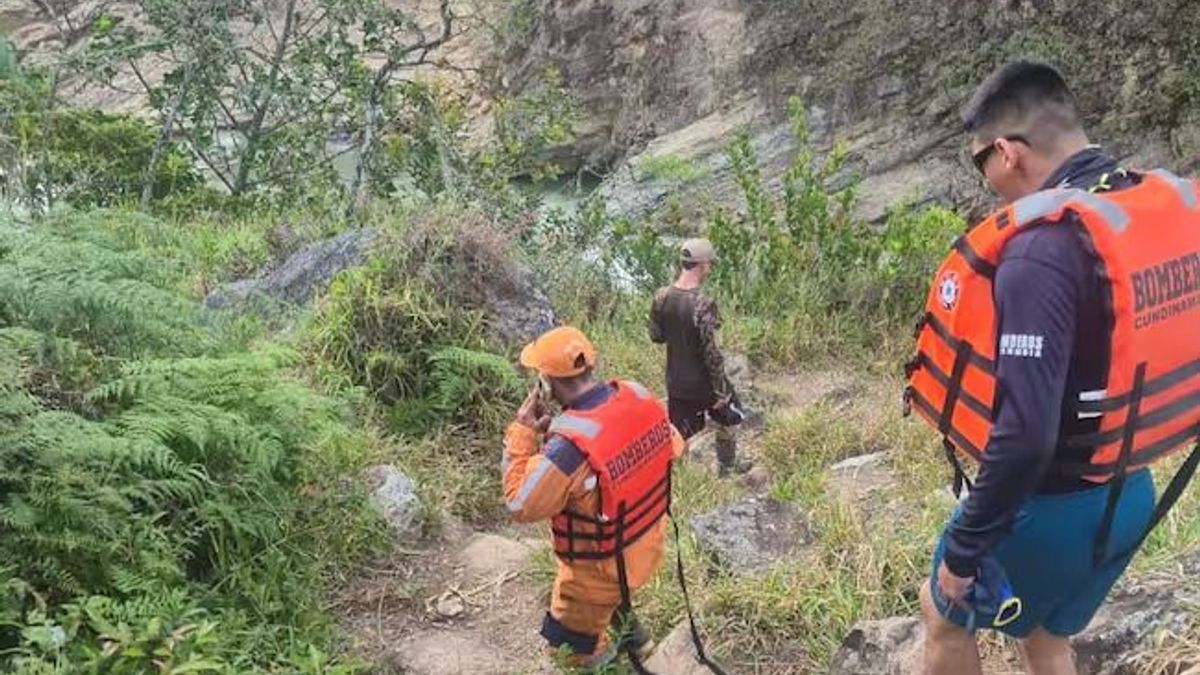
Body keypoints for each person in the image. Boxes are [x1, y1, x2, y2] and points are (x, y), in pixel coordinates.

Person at [905, 60, 1200, 675]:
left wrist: (964, 551)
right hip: (1132, 490)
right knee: (1042, 635)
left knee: (944, 619)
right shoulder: (1150, 205)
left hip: (1054, 508)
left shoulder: (1039, 252)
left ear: (1008, 152)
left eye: (979, 161)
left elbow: (1025, 437)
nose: (985, 179)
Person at [502, 326, 686, 670]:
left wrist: (524, 432)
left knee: (568, 651)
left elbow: (518, 503)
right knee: (614, 595)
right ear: (589, 366)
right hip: (646, 545)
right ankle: (642, 646)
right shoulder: (637, 394)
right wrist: (558, 434)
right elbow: (673, 443)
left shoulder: (569, 448)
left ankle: (607, 664)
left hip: (599, 570)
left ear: (545, 382)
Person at [649, 238, 751, 477]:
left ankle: (680, 479)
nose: (710, 269)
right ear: (702, 265)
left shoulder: (661, 297)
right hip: (704, 383)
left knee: (680, 433)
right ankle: (727, 468)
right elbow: (711, 354)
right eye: (709, 264)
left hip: (676, 381)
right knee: (730, 418)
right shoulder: (704, 304)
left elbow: (657, 337)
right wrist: (720, 391)